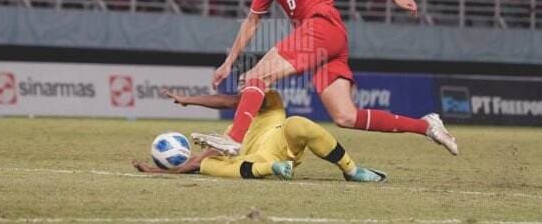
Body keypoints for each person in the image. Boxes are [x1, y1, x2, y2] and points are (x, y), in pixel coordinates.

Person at [193, 0, 458, 156]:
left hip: (323, 25)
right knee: (345, 116)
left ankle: (235, 139)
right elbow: (251, 22)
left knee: (256, 76)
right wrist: (229, 62)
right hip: (322, 43)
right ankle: (426, 125)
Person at [132, 89, 387, 182]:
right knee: (209, 165)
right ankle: (272, 168)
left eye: (251, 85)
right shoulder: (229, 136)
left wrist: (189, 100)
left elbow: (229, 100)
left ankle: (352, 170)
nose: (246, 92)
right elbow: (194, 164)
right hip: (257, 158)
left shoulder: (271, 101)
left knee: (298, 123)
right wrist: (156, 172)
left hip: (280, 139)